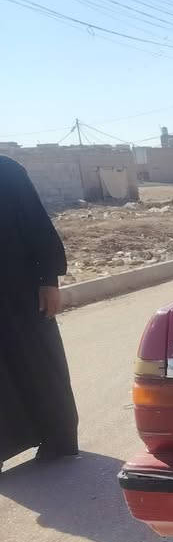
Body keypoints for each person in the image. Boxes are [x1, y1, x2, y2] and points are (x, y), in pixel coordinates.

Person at [0, 155, 79, 473]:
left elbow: (37, 226)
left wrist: (49, 280)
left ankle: (57, 438)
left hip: (19, 291)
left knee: (39, 365)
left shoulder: (7, 172)